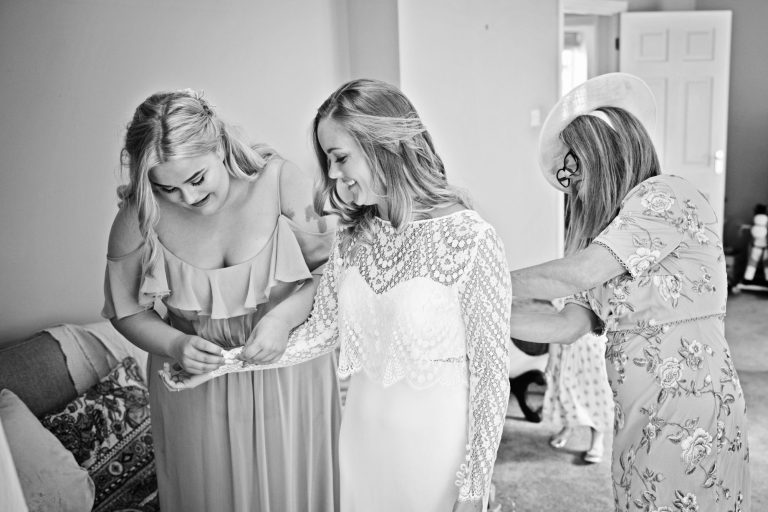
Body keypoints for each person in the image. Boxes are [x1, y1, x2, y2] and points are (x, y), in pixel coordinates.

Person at [161, 78, 513, 512]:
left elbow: (492, 377)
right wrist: (222, 367)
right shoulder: (354, 238)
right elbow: (321, 333)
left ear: (384, 145)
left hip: (435, 451)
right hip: (362, 442)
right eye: (328, 160)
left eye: (340, 157)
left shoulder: (471, 238)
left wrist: (475, 486)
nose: (332, 174)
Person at [507, 73, 750, 511]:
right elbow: (566, 325)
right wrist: (473, 309)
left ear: (602, 155)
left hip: (689, 402)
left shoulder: (668, 196)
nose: (571, 187)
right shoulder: (604, 236)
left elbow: (580, 273)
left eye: (571, 170)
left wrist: (484, 280)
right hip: (636, 408)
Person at [102, 89, 341, 512]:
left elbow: (336, 272)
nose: (188, 199)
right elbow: (126, 310)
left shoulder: (280, 182)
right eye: (168, 187)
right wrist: (175, 344)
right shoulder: (140, 215)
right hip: (196, 391)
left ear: (221, 147)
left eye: (197, 179)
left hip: (289, 380)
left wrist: (283, 319)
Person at [543, 331, 613, 464]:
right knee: (566, 393)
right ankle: (568, 426)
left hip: (594, 349)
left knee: (596, 398)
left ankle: (597, 440)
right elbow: (556, 324)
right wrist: (552, 357)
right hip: (566, 351)